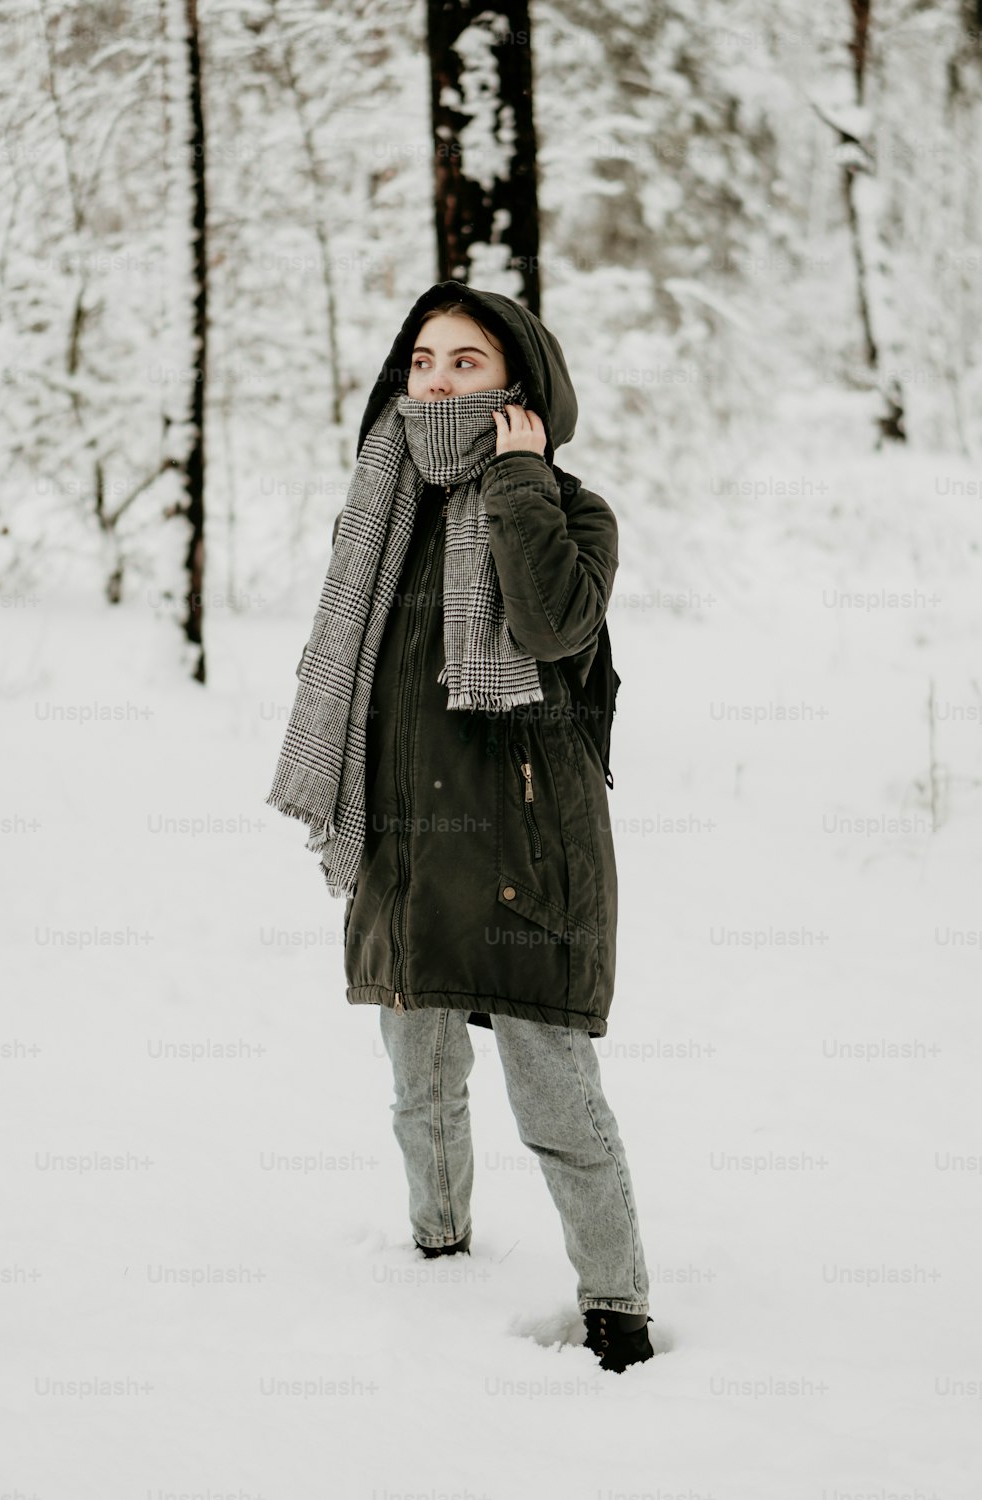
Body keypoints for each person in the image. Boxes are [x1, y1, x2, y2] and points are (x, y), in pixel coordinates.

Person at [266, 281, 653, 1373]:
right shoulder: (387, 507)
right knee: (419, 1076)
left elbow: (551, 621)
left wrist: (522, 480)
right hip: (403, 834)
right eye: (423, 360)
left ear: (518, 385)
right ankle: (436, 1253)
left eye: (464, 363)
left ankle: (617, 1311)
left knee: (555, 1095)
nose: (435, 381)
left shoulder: (571, 509)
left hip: (523, 843)